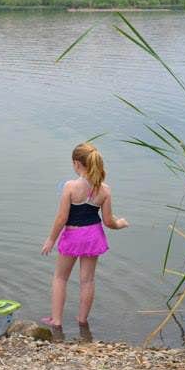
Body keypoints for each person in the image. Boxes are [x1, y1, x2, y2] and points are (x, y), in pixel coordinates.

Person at [41, 142, 129, 337]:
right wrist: (121, 223)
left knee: (60, 277)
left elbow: (62, 218)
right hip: (93, 236)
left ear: (76, 164)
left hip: (73, 235)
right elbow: (108, 221)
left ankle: (56, 320)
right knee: (87, 280)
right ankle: (82, 320)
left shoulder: (70, 187)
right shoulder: (104, 190)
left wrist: (50, 240)